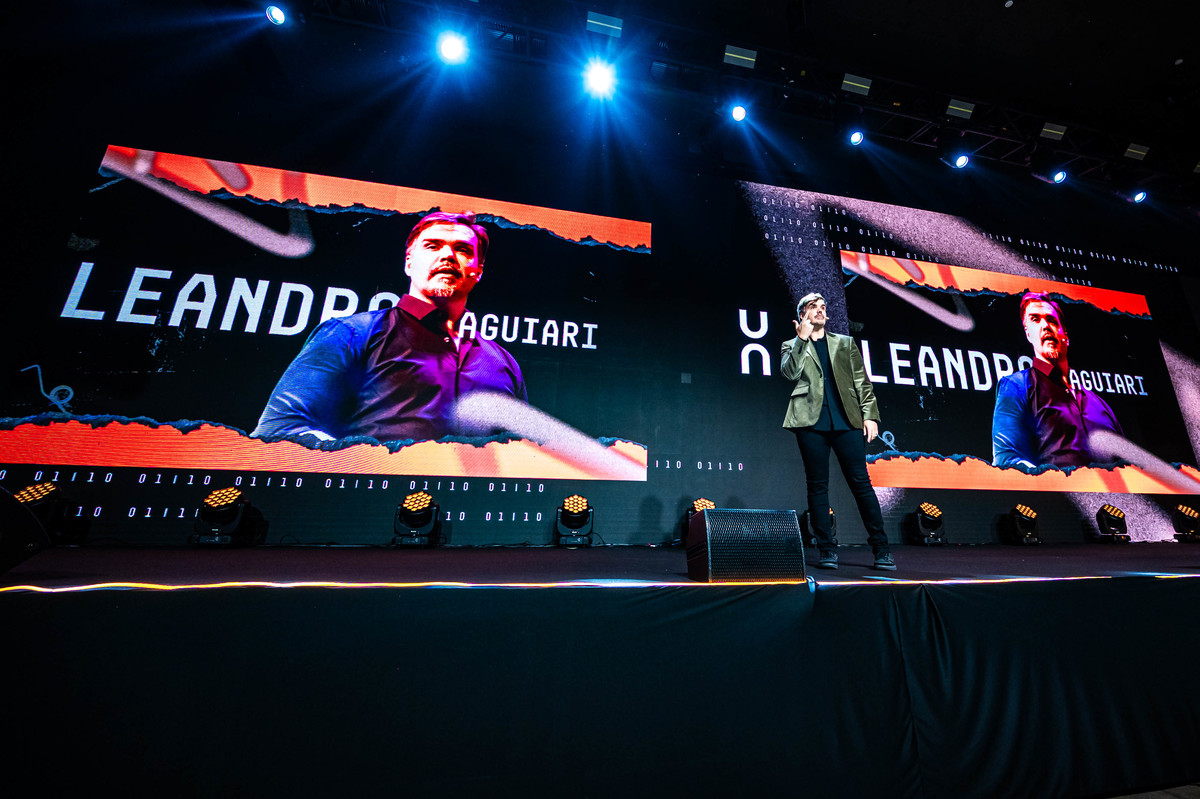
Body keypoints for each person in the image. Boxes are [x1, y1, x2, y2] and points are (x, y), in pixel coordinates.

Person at [252, 211, 526, 444]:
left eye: (463, 249)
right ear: (408, 263)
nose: (448, 255)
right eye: (433, 246)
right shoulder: (352, 333)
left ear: (478, 271)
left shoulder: (503, 362)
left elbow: (518, 451)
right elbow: (279, 428)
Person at [781, 293, 894, 571]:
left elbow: (862, 382)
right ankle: (827, 550)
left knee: (861, 483)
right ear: (803, 314)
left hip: (846, 420)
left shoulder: (845, 343)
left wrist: (870, 415)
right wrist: (801, 339)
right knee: (817, 485)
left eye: (823, 307)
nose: (820, 310)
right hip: (810, 423)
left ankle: (882, 549)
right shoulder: (791, 345)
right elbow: (790, 373)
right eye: (813, 307)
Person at [991, 292, 1123, 468]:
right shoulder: (1016, 386)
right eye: (1035, 319)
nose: (1045, 326)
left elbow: (1125, 465)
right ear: (1028, 334)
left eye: (1052, 320)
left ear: (1065, 336)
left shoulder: (1099, 404)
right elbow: (1006, 460)